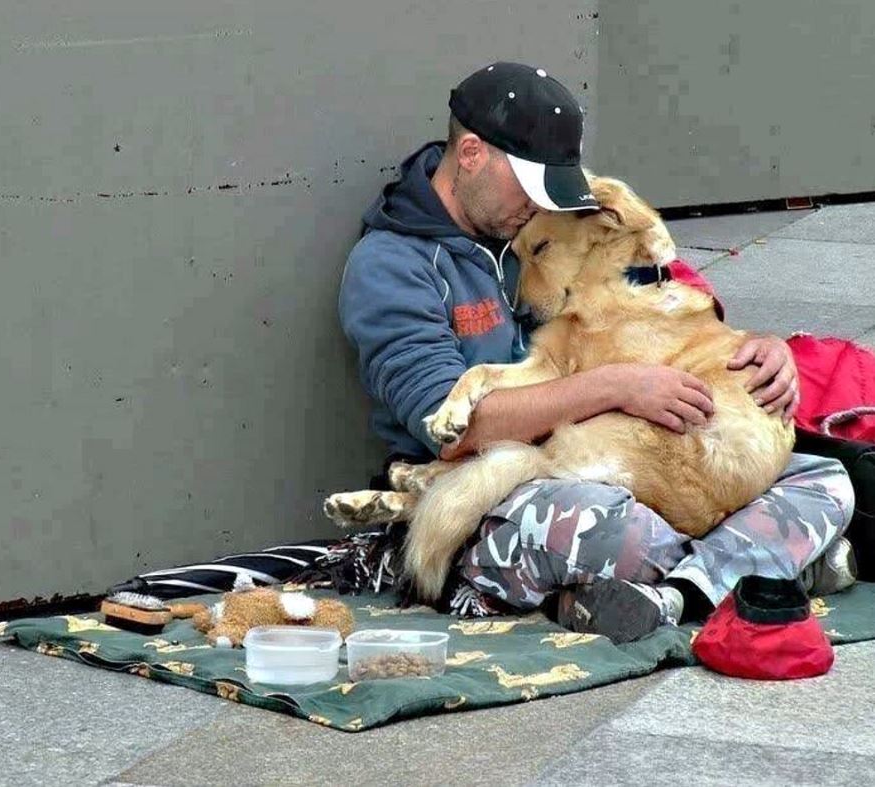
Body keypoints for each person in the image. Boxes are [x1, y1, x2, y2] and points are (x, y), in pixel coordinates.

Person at [337, 62, 857, 642]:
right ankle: (761, 567)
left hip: (632, 458)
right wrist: (618, 386)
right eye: (531, 189)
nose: (537, 209)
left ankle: (674, 595)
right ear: (473, 154)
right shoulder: (392, 266)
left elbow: (667, 298)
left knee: (826, 478)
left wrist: (762, 351)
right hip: (492, 487)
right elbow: (453, 429)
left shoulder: (538, 218)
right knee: (609, 528)